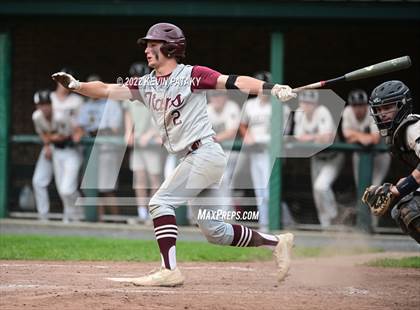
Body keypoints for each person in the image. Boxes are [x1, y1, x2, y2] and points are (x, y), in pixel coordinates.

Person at [51, 22, 296, 286]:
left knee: (159, 203)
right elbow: (108, 89)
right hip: (196, 158)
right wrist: (76, 86)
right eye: (147, 45)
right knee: (215, 232)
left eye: (153, 45)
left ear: (170, 48)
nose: (147, 50)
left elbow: (235, 81)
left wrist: (273, 88)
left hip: (203, 153)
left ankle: (169, 269)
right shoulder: (146, 83)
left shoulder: (192, 75)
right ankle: (277, 242)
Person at [362, 80, 420, 243]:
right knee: (400, 211)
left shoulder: (413, 128)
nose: (382, 113)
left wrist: (400, 189)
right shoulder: (400, 132)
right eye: (379, 109)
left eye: (388, 108)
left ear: (402, 104)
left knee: (411, 209)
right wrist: (396, 189)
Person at [240, 71, 292, 231]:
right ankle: (264, 226)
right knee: (260, 192)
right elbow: (243, 124)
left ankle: (285, 222)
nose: (262, 90)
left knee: (269, 193)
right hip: (255, 152)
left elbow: (284, 133)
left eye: (265, 86)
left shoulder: (280, 106)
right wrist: (247, 135)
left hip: (270, 153)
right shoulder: (249, 105)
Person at [75, 74, 123, 222]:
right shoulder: (86, 105)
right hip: (90, 151)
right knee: (92, 188)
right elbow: (80, 128)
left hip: (107, 150)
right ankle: (100, 221)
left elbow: (115, 129)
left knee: (107, 189)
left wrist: (96, 130)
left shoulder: (112, 103)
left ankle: (116, 220)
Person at [294, 90, 344, 228]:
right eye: (304, 102)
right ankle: (326, 227)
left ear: (315, 104)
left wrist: (309, 138)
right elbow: (298, 138)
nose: (306, 105)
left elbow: (327, 138)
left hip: (333, 157)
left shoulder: (322, 111)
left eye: (310, 103)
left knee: (321, 187)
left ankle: (335, 216)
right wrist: (315, 137)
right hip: (317, 157)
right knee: (317, 194)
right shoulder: (299, 114)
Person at [123, 62, 162, 224]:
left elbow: (163, 117)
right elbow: (128, 114)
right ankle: (142, 213)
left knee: (154, 178)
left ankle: (155, 214)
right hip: (138, 142)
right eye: (135, 78)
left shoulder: (156, 93)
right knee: (139, 178)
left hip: (153, 142)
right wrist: (128, 132)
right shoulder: (129, 94)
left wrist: (151, 134)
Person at [51, 68, 85, 223]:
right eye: (61, 80)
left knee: (67, 188)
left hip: (72, 147)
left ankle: (79, 212)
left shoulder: (76, 101)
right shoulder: (50, 98)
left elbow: (83, 125)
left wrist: (79, 132)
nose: (63, 84)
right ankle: (70, 216)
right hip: (56, 147)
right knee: (61, 189)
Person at [342, 89, 391, 186]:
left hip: (380, 154)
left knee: (374, 187)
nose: (358, 108)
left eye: (360, 105)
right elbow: (347, 137)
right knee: (360, 186)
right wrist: (363, 137)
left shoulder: (373, 111)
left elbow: (375, 139)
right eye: (355, 105)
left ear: (366, 105)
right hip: (359, 154)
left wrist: (355, 135)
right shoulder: (347, 111)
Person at [207, 90, 241, 212]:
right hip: (214, 151)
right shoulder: (208, 109)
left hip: (232, 151)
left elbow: (232, 132)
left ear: (225, 96)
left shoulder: (232, 107)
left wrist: (213, 138)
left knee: (224, 179)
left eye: (219, 95)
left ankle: (225, 214)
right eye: (213, 96)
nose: (216, 99)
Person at [32, 90, 54, 221]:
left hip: (69, 148)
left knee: (67, 188)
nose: (44, 107)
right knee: (38, 181)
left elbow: (66, 135)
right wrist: (47, 145)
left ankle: (74, 217)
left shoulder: (60, 114)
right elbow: (43, 135)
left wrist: (50, 141)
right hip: (50, 147)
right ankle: (43, 216)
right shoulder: (37, 116)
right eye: (41, 104)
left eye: (47, 103)